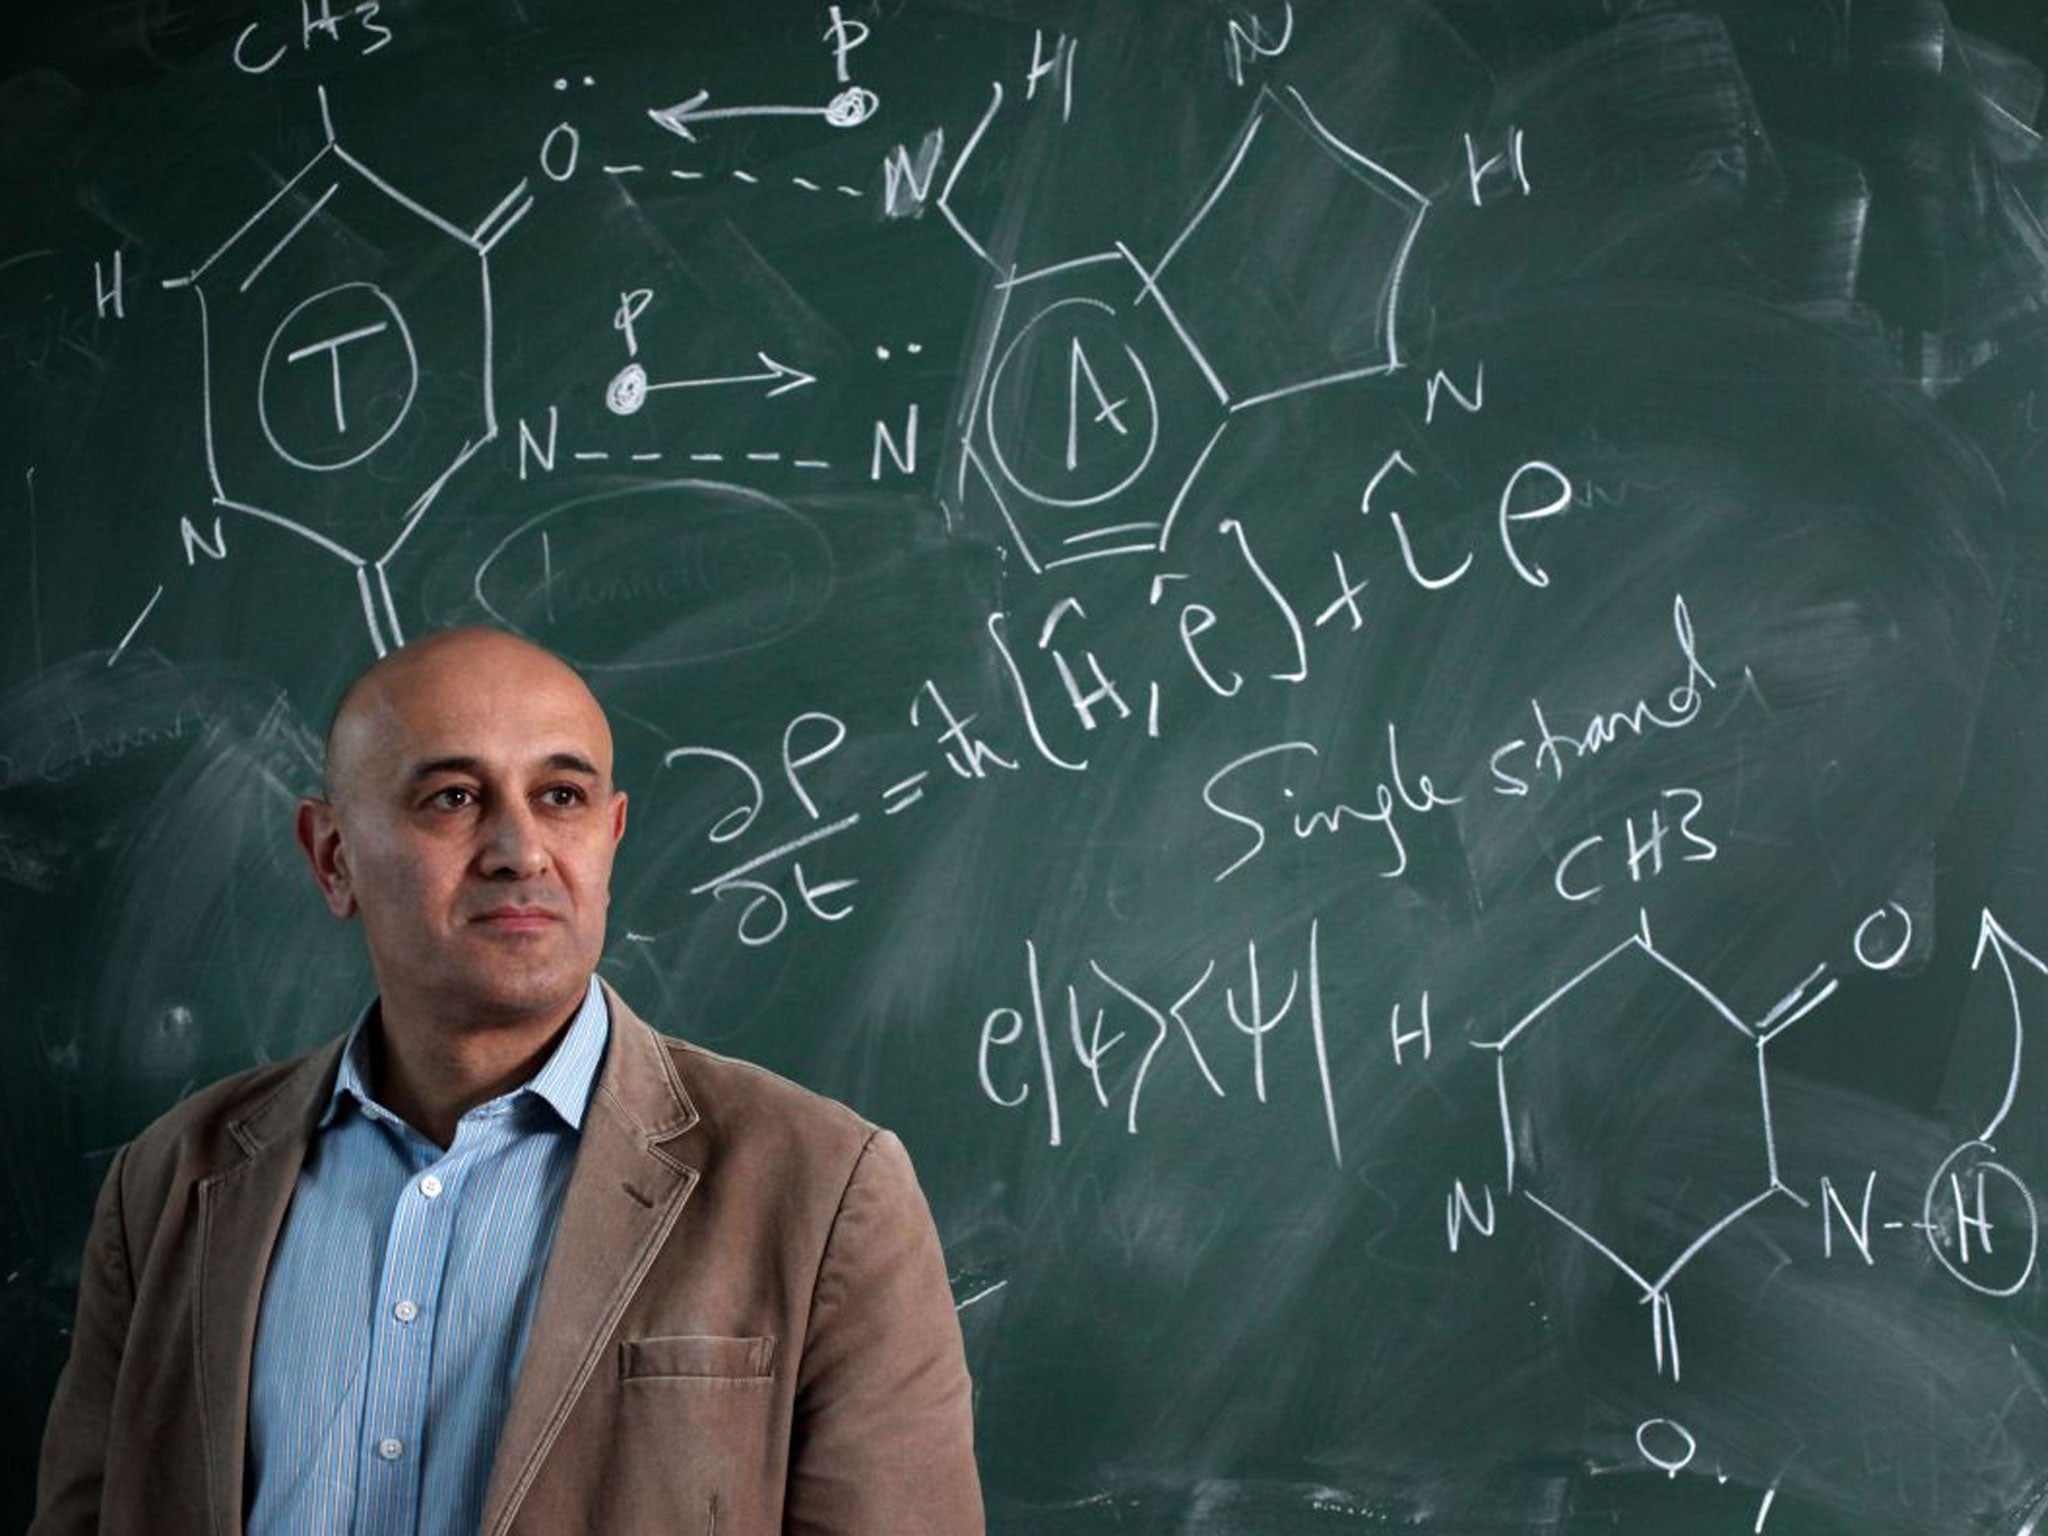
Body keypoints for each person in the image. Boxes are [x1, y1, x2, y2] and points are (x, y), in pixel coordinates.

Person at [31, 626, 984, 1536]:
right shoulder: (170, 1183)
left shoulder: (823, 1189)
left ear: (611, 837)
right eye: (451, 798)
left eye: (562, 798)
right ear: (333, 856)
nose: (520, 851)